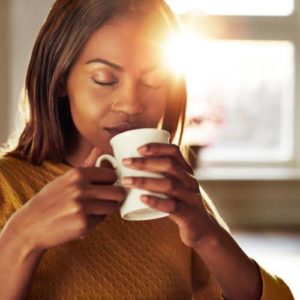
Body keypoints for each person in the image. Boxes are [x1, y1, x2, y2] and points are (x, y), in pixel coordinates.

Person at [0, 0, 294, 299]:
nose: (132, 104)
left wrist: (208, 235)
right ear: (60, 77)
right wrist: (21, 238)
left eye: (154, 80)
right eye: (105, 79)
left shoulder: (173, 191)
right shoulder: (6, 187)